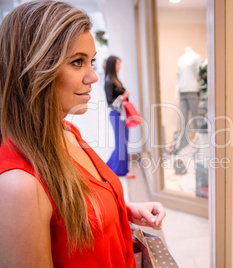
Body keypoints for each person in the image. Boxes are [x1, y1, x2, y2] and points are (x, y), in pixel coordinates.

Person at [0, 1, 165, 267]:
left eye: (92, 61)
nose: (93, 76)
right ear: (32, 70)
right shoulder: (20, 187)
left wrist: (120, 212)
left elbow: (74, 215)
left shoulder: (67, 130)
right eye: (77, 62)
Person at [104, 56, 135, 178]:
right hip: (116, 115)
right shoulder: (109, 81)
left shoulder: (115, 79)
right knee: (121, 144)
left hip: (122, 115)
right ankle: (121, 170)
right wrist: (124, 95)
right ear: (113, 65)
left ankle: (112, 168)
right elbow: (110, 103)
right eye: (118, 64)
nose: (119, 66)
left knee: (123, 143)